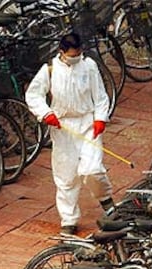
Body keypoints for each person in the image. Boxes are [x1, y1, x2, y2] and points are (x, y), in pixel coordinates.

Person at [25, 32, 115, 235]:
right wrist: (45, 113)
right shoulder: (49, 70)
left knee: (91, 169)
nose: (76, 58)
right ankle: (69, 219)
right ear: (62, 52)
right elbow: (33, 95)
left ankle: (106, 200)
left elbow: (100, 96)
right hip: (63, 127)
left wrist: (100, 118)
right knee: (66, 176)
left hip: (87, 122)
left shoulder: (89, 66)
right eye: (72, 55)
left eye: (79, 54)